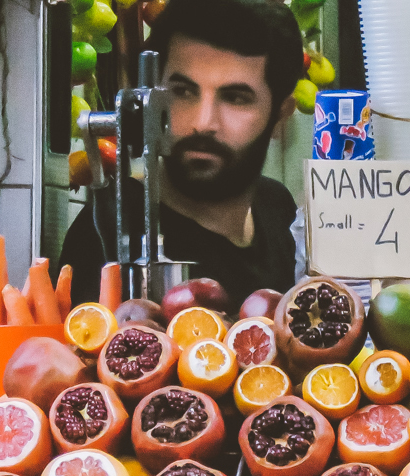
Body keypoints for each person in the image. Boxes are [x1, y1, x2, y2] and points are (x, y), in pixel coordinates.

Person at [59, 0, 302, 306]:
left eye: (235, 97)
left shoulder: (277, 208)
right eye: (183, 92)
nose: (203, 123)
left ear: (282, 114)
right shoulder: (111, 230)